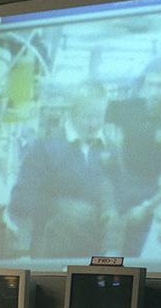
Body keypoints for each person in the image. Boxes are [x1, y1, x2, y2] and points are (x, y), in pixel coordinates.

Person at [7, 83, 133, 259]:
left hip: (96, 256)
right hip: (52, 254)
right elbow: (20, 200)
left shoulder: (111, 150)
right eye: (88, 117)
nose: (94, 124)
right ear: (72, 113)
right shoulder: (45, 147)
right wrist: (58, 207)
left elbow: (123, 197)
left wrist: (113, 212)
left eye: (99, 117)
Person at [105, 58, 161, 254]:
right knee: (102, 244)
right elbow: (98, 117)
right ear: (144, 84)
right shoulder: (128, 107)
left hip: (147, 190)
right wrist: (111, 142)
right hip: (115, 181)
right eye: (149, 85)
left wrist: (149, 206)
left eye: (159, 85)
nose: (153, 91)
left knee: (130, 252)